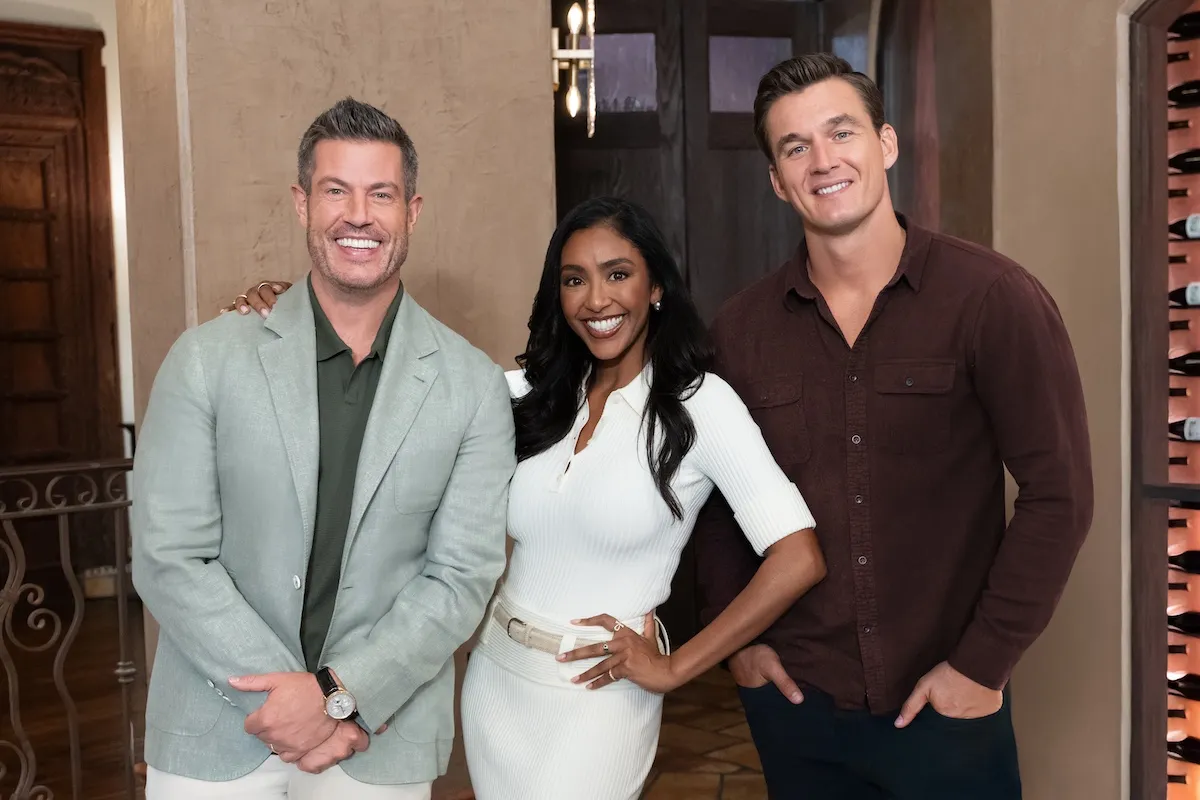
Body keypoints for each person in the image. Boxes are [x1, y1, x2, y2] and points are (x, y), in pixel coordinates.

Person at [226, 195, 827, 799]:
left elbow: (798, 556)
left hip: (601, 696)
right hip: (497, 681)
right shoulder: (521, 394)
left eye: (618, 274)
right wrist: (309, 311)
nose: (596, 300)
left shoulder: (701, 406)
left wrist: (676, 668)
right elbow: (392, 374)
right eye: (575, 280)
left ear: (656, 288)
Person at [693, 53, 1095, 799]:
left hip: (949, 704)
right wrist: (738, 639)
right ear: (777, 181)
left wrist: (984, 664)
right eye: (795, 147)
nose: (823, 161)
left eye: (840, 132)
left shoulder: (994, 300)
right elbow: (713, 500)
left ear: (885, 144)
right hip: (798, 708)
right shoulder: (740, 332)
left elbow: (1059, 493)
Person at [131, 97, 515, 799]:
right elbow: (168, 555)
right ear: (302, 203)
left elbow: (459, 577)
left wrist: (339, 695)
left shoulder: (472, 386)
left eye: (382, 194)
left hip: (376, 734)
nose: (359, 215)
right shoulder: (205, 359)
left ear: (413, 211)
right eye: (336, 191)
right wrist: (289, 704)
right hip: (214, 732)